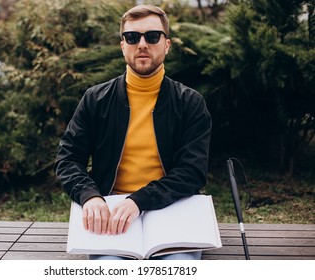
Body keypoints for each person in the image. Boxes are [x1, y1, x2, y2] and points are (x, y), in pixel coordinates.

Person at [55, 4, 212, 260]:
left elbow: (192, 172)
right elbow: (68, 159)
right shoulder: (95, 100)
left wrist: (139, 200)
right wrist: (90, 197)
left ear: (167, 44)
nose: (142, 44)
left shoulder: (190, 103)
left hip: (173, 208)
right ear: (122, 45)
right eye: (132, 37)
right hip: (111, 212)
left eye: (152, 36)